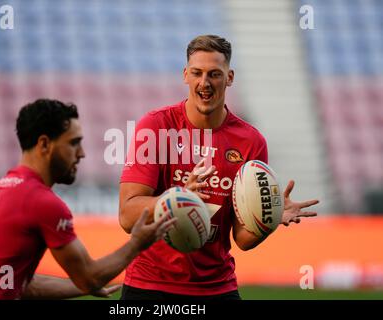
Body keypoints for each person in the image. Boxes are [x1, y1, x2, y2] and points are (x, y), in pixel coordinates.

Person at [118, 35, 319, 300]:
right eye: (196, 73)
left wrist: (268, 218)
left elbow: (242, 240)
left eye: (214, 74)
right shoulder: (156, 127)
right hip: (150, 285)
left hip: (216, 288)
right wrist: (177, 198)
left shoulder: (251, 141)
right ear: (185, 75)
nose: (205, 83)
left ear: (230, 77)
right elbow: (127, 217)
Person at [0, 99, 175, 300]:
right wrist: (137, 243)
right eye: (73, 143)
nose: (81, 153)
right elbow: (89, 275)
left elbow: (16, 282)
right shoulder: (40, 201)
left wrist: (80, 286)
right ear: (45, 144)